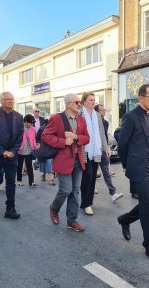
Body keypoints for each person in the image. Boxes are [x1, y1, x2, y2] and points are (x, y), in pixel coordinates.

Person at [117, 84, 149, 264]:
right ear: (141, 98)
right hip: (139, 166)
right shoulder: (130, 117)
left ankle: (125, 219)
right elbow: (123, 145)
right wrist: (129, 166)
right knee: (145, 203)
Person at [42, 93, 90, 232]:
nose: (80, 104)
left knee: (75, 192)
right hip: (63, 160)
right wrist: (63, 142)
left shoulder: (81, 119)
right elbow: (45, 136)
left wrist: (75, 137)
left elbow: (87, 138)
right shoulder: (57, 118)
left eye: (80, 102)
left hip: (78, 159)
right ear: (68, 104)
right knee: (65, 189)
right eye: (76, 102)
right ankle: (54, 208)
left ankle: (72, 220)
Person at [79, 92, 110, 216]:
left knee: (92, 178)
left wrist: (106, 147)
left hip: (96, 149)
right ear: (84, 101)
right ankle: (85, 203)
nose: (93, 102)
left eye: (94, 100)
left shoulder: (97, 115)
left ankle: (87, 202)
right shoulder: (79, 114)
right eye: (90, 100)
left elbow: (102, 132)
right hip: (84, 150)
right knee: (87, 176)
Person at [94, 104, 123, 202]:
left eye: (104, 110)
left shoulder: (105, 122)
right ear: (97, 112)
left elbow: (105, 135)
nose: (104, 111)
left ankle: (113, 193)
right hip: (95, 150)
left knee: (106, 172)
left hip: (103, 150)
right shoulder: (93, 121)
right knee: (92, 172)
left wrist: (107, 146)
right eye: (101, 110)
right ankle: (91, 187)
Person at [16, 114, 38, 187]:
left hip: (29, 149)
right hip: (20, 149)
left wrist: (35, 146)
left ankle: (31, 182)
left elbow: (34, 139)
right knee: (19, 165)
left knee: (29, 166)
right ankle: (19, 180)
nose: (31, 124)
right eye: (30, 123)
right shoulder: (19, 128)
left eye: (32, 123)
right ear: (25, 122)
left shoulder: (33, 129)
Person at [36, 120, 55, 186]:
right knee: (45, 162)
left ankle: (50, 178)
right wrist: (38, 144)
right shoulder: (42, 128)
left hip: (50, 148)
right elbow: (37, 137)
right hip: (43, 148)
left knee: (49, 162)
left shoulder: (53, 128)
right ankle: (44, 175)